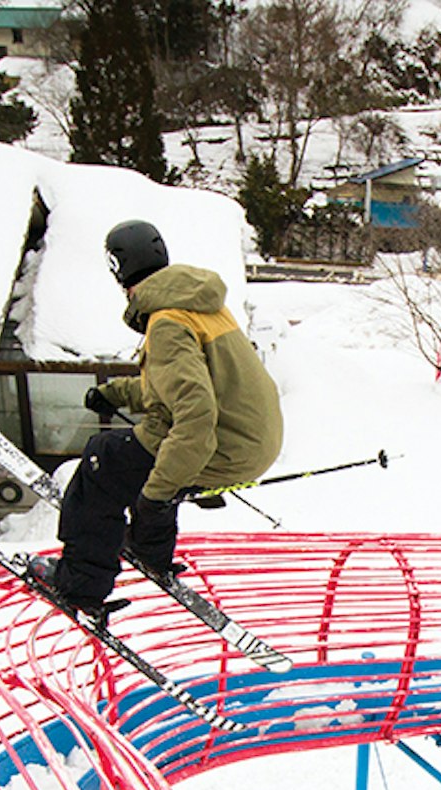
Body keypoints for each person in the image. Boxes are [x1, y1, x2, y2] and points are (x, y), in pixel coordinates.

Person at [28, 219, 283, 620]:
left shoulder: (166, 322)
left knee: (103, 460)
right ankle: (150, 549)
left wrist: (156, 499)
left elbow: (195, 417)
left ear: (118, 270)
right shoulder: (199, 306)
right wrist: (112, 393)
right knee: (139, 453)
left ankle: (80, 585)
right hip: (248, 439)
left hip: (225, 444)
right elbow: (170, 394)